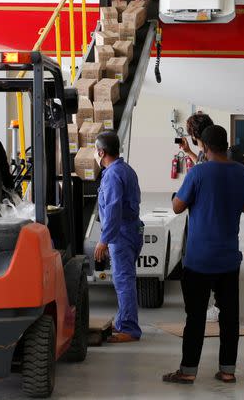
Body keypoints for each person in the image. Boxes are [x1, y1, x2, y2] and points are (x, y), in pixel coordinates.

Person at [163, 125, 244, 385]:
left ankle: (188, 371)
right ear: (225, 145)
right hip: (228, 259)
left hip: (199, 260)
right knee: (229, 318)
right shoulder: (241, 172)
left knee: (195, 317)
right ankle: (227, 371)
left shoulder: (198, 173)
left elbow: (178, 207)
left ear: (203, 146)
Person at [92, 130, 143, 343]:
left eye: (96, 150)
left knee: (123, 280)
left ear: (102, 152)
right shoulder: (124, 169)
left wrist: (104, 240)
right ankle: (123, 321)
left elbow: (113, 210)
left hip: (121, 234)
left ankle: (130, 329)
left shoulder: (113, 175)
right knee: (124, 278)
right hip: (130, 231)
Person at [180, 112, 244, 167]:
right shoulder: (205, 153)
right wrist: (188, 151)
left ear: (193, 134)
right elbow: (200, 165)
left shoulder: (213, 155)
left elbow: (202, 169)